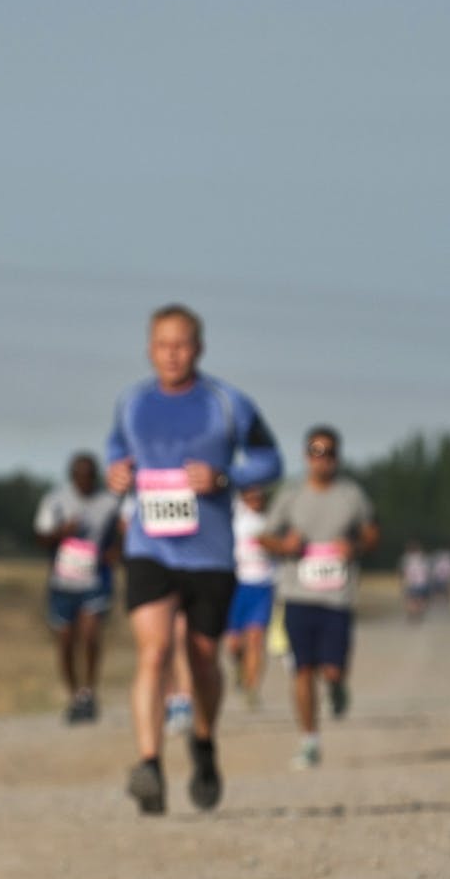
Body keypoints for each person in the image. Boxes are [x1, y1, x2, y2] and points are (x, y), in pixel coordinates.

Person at [105, 304, 282, 814]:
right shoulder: (132, 402)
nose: (172, 354)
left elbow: (270, 460)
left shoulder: (228, 403)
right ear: (148, 349)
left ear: (198, 349)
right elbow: (116, 451)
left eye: (181, 345)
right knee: (154, 652)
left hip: (209, 554)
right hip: (150, 547)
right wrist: (117, 473)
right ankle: (150, 765)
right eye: (163, 345)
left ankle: (203, 745)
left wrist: (226, 478)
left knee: (202, 659)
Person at [262, 426, 378, 770]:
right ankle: (310, 740)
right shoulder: (291, 495)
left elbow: (372, 532)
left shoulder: (351, 496)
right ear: (305, 455)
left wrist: (355, 546)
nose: (322, 459)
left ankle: (338, 686)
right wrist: (284, 545)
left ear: (337, 457)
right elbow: (265, 536)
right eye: (316, 451)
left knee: (331, 669)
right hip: (297, 594)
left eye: (328, 452)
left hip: (337, 598)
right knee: (302, 669)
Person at [33, 452, 122, 722]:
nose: (84, 481)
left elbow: (123, 533)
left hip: (94, 582)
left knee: (91, 636)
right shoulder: (55, 500)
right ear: (72, 477)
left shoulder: (109, 502)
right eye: (80, 476)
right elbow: (40, 536)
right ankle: (74, 696)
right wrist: (62, 532)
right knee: (66, 642)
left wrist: (115, 552)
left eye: (89, 476)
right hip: (62, 583)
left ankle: (88, 692)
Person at [224, 485, 277, 706]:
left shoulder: (273, 520)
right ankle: (239, 666)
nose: (255, 498)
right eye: (250, 494)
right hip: (236, 585)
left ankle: (252, 689)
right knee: (233, 644)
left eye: (259, 494)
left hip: (263, 586)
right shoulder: (234, 516)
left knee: (256, 639)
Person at [399, 540, 432, 624]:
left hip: (411, 583)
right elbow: (428, 572)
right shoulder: (423, 559)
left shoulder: (405, 559)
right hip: (422, 583)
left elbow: (402, 572)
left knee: (411, 600)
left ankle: (412, 615)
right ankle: (418, 614)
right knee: (421, 600)